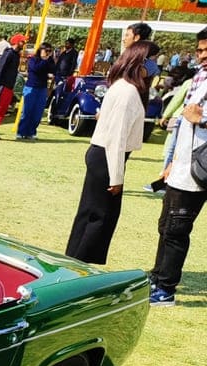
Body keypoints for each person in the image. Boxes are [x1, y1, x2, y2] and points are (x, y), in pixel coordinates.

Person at [64, 42, 154, 265]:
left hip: (104, 154)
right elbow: (117, 138)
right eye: (152, 60)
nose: (155, 66)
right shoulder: (128, 92)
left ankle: (75, 261)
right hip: (108, 155)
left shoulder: (122, 87)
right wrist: (117, 177)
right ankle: (80, 264)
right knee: (99, 216)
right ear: (140, 61)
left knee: (92, 213)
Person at [148, 28, 207, 306]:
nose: (202, 56)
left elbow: (197, 118)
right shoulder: (198, 79)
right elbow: (186, 124)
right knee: (166, 225)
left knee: (177, 229)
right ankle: (157, 277)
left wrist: (203, 118)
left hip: (198, 171)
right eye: (199, 50)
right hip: (182, 166)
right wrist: (172, 161)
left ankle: (166, 289)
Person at [16, 42, 54, 140]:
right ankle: (21, 132)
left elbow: (54, 69)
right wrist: (44, 60)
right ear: (41, 50)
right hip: (31, 87)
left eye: (50, 51)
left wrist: (49, 60)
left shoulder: (49, 61)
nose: (48, 53)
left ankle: (31, 132)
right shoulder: (33, 60)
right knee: (27, 111)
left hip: (42, 88)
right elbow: (36, 69)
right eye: (46, 50)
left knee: (38, 112)